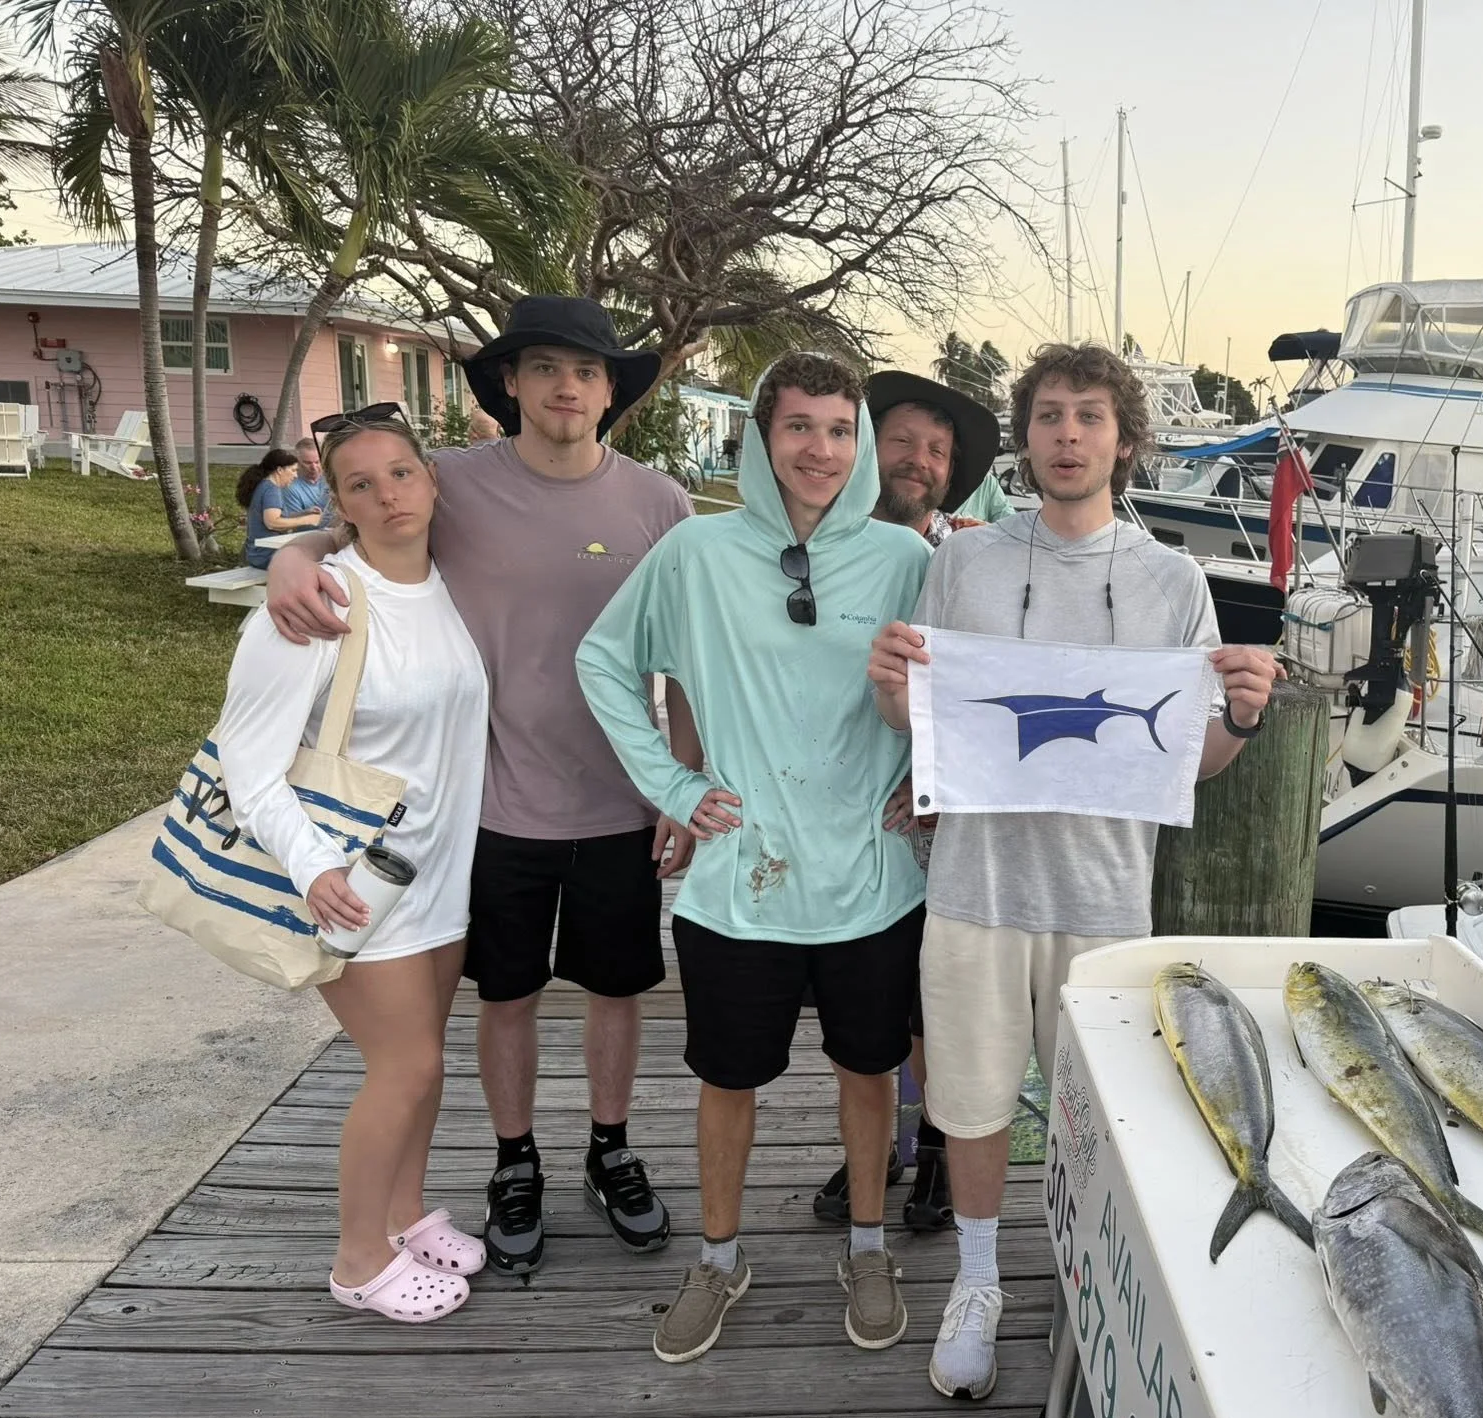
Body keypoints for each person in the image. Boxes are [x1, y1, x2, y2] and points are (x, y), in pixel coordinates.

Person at [868, 343, 1279, 1400]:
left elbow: (1200, 755)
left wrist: (1238, 712)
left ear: (1123, 441)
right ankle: (974, 1280)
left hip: (1104, 897)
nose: (1066, 435)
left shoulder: (1172, 578)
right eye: (1048, 415)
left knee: (1103, 1115)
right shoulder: (959, 561)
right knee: (967, 1100)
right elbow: (924, 726)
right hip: (974, 887)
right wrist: (888, 688)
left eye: (1088, 417)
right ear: (1025, 435)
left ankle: (1091, 1276)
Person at [260, 297, 693, 1277]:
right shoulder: (451, 483)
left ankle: (610, 1149)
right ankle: (514, 1161)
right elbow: (366, 513)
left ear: (611, 388)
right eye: (544, 367)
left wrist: (678, 781)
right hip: (486, 808)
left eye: (585, 370)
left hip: (620, 802)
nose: (566, 386)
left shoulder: (658, 503)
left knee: (616, 990)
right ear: (509, 382)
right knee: (508, 994)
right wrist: (293, 552)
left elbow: (683, 662)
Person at [577, 352, 929, 1362]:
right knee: (726, 1079)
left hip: (871, 878)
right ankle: (720, 1258)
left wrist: (932, 780)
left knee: (868, 1070)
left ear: (856, 443)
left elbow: (959, 687)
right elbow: (602, 660)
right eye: (797, 427)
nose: (818, 449)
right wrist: (675, 787)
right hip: (739, 883)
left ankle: (866, 1246)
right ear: (760, 438)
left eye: (836, 428)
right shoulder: (696, 552)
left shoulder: (907, 560)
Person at [214, 413, 490, 1322]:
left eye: (402, 474)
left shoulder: (450, 587)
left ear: (431, 480)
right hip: (355, 884)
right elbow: (247, 765)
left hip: (441, 875)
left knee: (428, 1064)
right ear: (337, 502)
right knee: (401, 1067)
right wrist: (309, 869)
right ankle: (358, 1260)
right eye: (362, 485)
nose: (388, 496)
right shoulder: (314, 602)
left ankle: (404, 1216)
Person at [805, 370, 1000, 1236]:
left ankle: (933, 1146)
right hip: (828, 820)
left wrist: (938, 786)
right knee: (864, 1012)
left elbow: (995, 696)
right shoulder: (811, 542)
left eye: (939, 449)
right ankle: (875, 1151)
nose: (918, 460)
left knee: (934, 1003)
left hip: (933, 827)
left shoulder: (969, 559)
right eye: (903, 441)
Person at [236, 449, 315, 569]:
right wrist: (308, 520)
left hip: (256, 554)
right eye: (293, 470)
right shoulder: (271, 490)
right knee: (317, 559)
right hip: (266, 555)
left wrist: (305, 513)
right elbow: (272, 523)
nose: (295, 475)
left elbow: (277, 517)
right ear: (279, 470)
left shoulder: (264, 486)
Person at [282, 435, 333, 527]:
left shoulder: (330, 477)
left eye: (317, 462)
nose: (314, 467)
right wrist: (305, 513)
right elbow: (291, 523)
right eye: (308, 463)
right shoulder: (290, 487)